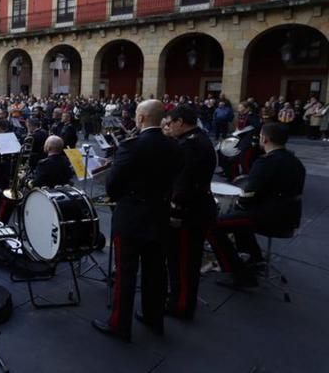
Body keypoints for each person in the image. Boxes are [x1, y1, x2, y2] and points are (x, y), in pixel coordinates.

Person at [93, 100, 183, 343]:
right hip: (160, 213)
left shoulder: (131, 146)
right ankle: (154, 318)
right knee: (156, 269)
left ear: (141, 118)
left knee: (126, 272)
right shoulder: (174, 145)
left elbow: (113, 184)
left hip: (131, 215)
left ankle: (119, 325)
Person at [207, 122, 305, 288]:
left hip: (270, 217)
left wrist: (239, 202)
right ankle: (255, 258)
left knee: (212, 225)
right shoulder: (295, 161)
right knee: (238, 217)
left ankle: (238, 273)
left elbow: (249, 194)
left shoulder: (266, 162)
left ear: (264, 139)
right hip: (289, 216)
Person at [164, 106, 217, 319]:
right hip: (197, 206)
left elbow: (182, 184)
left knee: (184, 261)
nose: (168, 127)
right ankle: (178, 298)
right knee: (182, 260)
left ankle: (182, 306)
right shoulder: (199, 138)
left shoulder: (190, 146)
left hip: (189, 213)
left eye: (170, 123)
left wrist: (174, 213)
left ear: (180, 122)